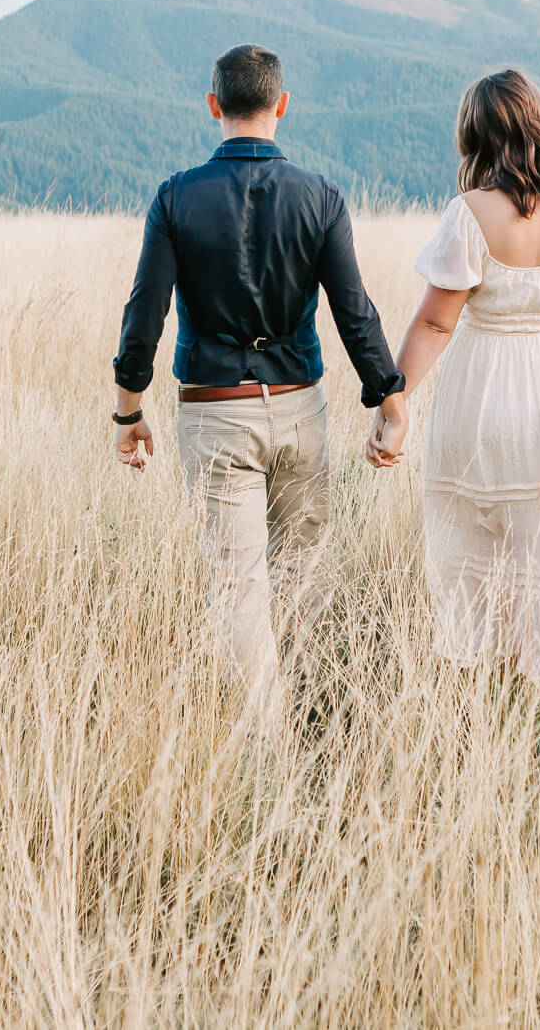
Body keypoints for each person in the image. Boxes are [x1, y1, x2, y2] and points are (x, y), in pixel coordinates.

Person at [112, 44, 407, 737]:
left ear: (214, 105)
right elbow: (355, 312)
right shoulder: (322, 197)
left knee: (239, 590)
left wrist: (129, 406)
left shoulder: (175, 196)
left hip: (214, 413)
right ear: (281, 105)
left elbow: (144, 311)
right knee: (298, 579)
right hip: (300, 408)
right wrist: (389, 404)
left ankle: (267, 757)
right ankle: (312, 731)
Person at [366, 70, 540, 689]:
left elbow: (435, 324)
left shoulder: (469, 215)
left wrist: (394, 404)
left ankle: (491, 698)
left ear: (475, 138)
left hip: (482, 399)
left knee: (482, 551)